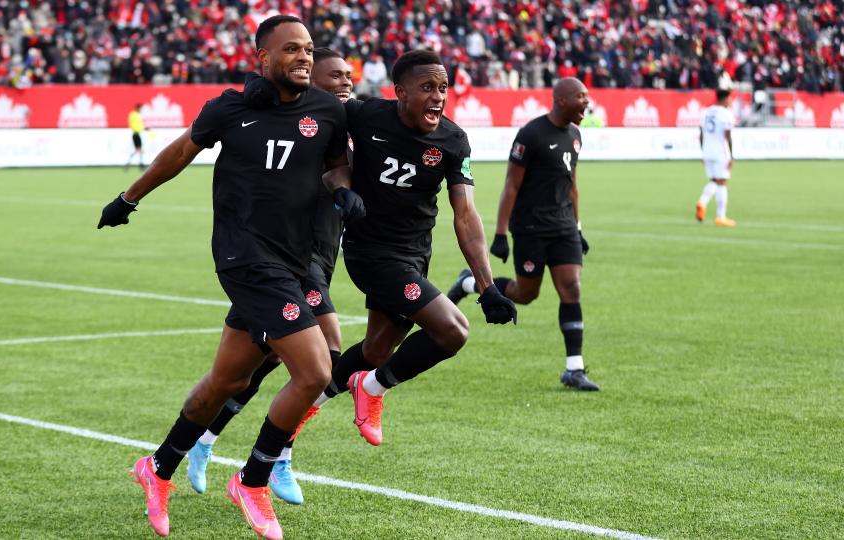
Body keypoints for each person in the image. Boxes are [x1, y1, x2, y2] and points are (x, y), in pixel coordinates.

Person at [97, 16, 360, 540]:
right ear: (261, 58)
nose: (304, 58)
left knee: (228, 381)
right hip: (245, 259)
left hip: (292, 259)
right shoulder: (229, 108)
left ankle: (159, 466)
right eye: (291, 50)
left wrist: (341, 189)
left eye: (308, 49)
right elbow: (179, 153)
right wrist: (130, 198)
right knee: (314, 370)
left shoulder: (328, 111)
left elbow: (335, 166)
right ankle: (255, 478)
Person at [312, 49, 517, 447]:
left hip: (414, 254)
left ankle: (296, 418)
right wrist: (341, 189)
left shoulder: (454, 140)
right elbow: (319, 107)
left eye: (443, 88)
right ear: (400, 93)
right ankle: (372, 389)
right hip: (370, 251)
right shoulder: (366, 114)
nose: (439, 96)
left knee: (375, 349)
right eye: (427, 87)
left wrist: (488, 285)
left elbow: (465, 214)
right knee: (453, 330)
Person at [184, 46, 354, 507]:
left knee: (256, 365)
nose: (346, 82)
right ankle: (276, 458)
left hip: (314, 254)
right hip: (287, 260)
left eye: (349, 75)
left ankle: (203, 440)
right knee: (326, 355)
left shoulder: (341, 121)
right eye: (335, 75)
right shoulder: (296, 119)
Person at [448, 77, 600, 391]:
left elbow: (572, 185)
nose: (587, 102)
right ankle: (469, 282)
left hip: (564, 227)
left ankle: (574, 368)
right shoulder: (531, 135)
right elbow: (511, 186)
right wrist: (501, 233)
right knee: (526, 293)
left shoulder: (575, 135)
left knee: (571, 288)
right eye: (581, 97)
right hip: (531, 227)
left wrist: (579, 227)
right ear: (561, 100)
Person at [696, 88, 736, 227]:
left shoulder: (706, 112)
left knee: (714, 180)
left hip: (707, 151)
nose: (730, 101)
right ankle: (721, 216)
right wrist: (731, 155)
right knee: (722, 182)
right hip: (720, 152)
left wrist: (703, 151)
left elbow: (701, 133)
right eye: (729, 98)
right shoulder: (726, 114)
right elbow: (728, 136)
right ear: (724, 98)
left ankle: (702, 201)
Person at [125, 103, 150, 171]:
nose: (141, 110)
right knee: (139, 150)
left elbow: (138, 125)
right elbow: (136, 126)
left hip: (136, 134)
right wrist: (144, 128)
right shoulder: (135, 115)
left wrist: (143, 128)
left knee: (138, 150)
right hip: (136, 134)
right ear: (137, 108)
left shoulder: (135, 115)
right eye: (140, 108)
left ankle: (130, 164)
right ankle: (140, 165)